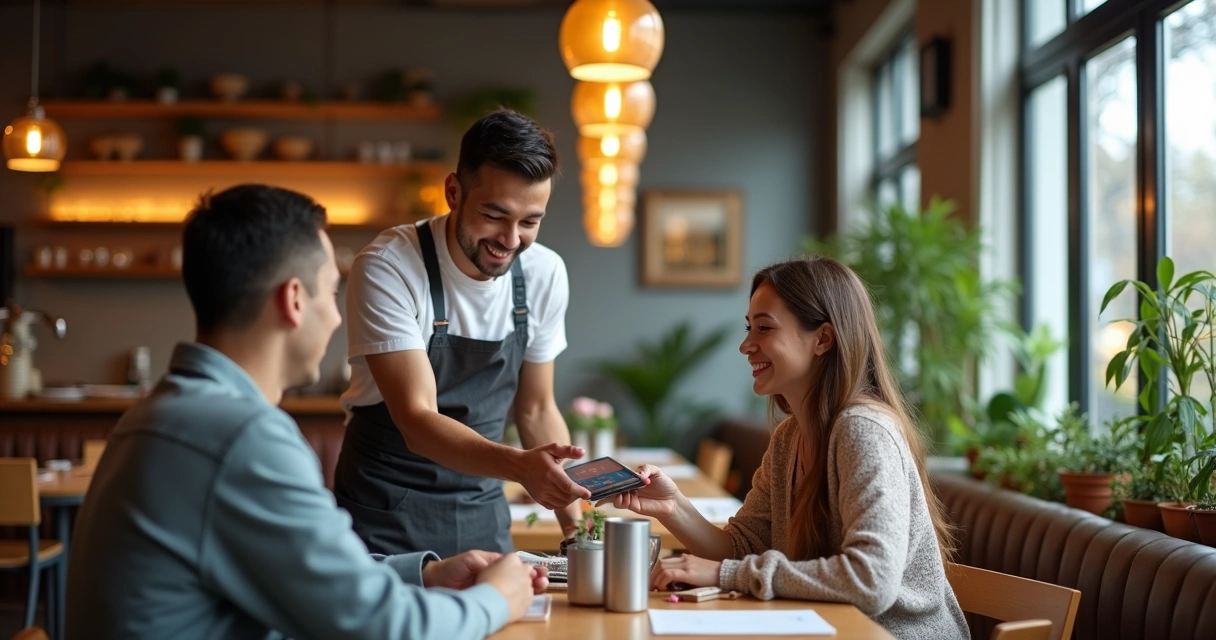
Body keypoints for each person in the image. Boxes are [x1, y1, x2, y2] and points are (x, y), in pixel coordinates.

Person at [66, 185, 546, 640]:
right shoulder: (241, 437)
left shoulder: (161, 413)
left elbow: (287, 569)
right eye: (330, 292)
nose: (338, 317)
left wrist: (424, 574)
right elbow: (387, 629)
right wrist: (496, 599)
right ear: (294, 300)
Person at [602, 256, 969, 639]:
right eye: (749, 328)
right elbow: (742, 547)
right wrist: (673, 507)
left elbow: (870, 580)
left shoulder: (864, 430)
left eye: (764, 328)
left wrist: (725, 575)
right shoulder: (789, 438)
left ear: (823, 339)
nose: (746, 345)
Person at [335, 109, 588, 558]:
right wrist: (519, 468)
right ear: (453, 192)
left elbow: (535, 409)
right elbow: (417, 420)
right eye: (494, 215)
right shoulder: (389, 267)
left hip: (482, 509)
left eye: (530, 221)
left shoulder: (545, 273)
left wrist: (580, 531)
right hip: (385, 513)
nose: (510, 239)